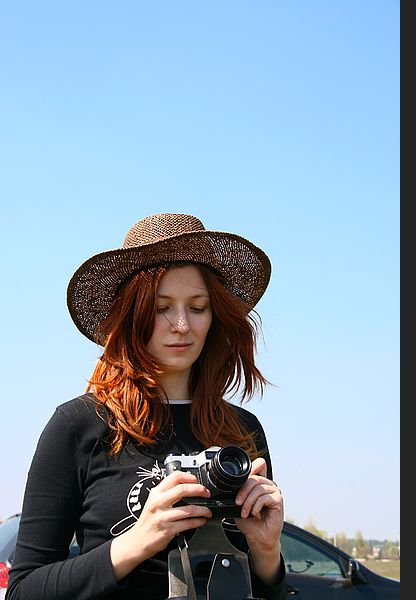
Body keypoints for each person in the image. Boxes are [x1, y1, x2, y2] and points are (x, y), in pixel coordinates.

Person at [7, 213, 286, 600]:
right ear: (132, 316)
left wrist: (268, 551)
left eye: (198, 307)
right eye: (161, 308)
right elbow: (25, 590)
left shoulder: (242, 430)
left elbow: (265, 590)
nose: (182, 325)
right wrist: (139, 540)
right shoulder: (79, 424)